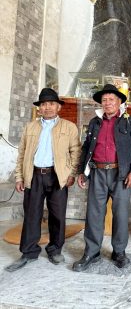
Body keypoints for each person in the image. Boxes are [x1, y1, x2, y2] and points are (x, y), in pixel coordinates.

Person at [5, 88, 81, 272]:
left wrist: (70, 174)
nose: (47, 107)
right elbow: (22, 154)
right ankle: (29, 252)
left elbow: (76, 152)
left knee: (57, 215)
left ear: (58, 107)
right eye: (44, 104)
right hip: (34, 175)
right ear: (39, 108)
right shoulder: (30, 127)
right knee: (32, 215)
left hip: (57, 176)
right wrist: (19, 177)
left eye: (51, 104)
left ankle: (55, 250)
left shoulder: (69, 127)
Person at [72, 84, 131, 272]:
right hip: (97, 172)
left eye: (111, 99)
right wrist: (82, 171)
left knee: (120, 214)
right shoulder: (95, 122)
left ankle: (119, 252)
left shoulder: (130, 122)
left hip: (120, 174)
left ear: (119, 102)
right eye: (104, 100)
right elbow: (87, 148)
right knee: (94, 214)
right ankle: (92, 252)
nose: (107, 103)